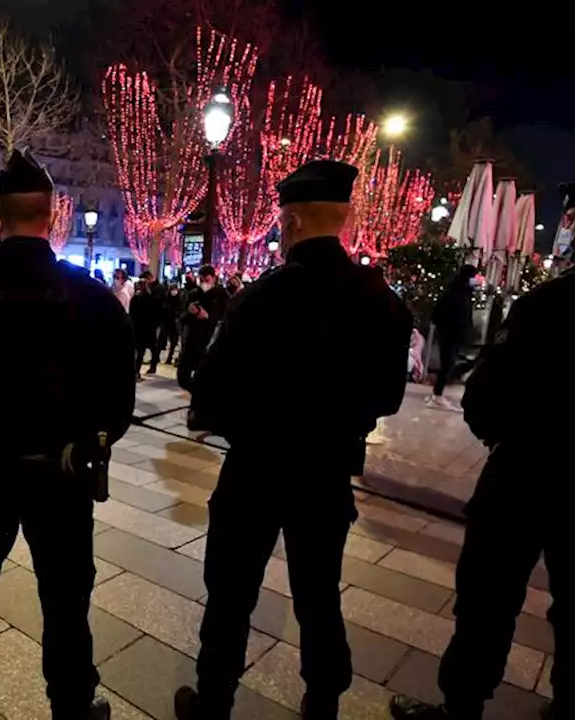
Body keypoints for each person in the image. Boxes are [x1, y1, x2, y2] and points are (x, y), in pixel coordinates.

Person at [390, 155, 575, 720]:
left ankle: (462, 704)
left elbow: (487, 397)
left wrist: (499, 428)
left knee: (489, 594)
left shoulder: (559, 301)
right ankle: (571, 709)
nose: (568, 232)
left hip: (528, 474)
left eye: (574, 220)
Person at [176, 160, 412, 720]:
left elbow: (208, 392)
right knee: (319, 595)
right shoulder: (379, 301)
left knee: (231, 594)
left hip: (257, 469)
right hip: (326, 472)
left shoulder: (264, 297)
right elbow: (387, 397)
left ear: (294, 222)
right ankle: (323, 702)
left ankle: (213, 702)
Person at [0, 149, 137, 720]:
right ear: (53, 216)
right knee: (65, 602)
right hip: (60, 475)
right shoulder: (93, 300)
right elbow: (119, 403)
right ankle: (70, 705)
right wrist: (85, 440)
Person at [427, 264, 480, 412]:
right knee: (448, 364)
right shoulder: (458, 292)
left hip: (451, 333)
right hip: (451, 333)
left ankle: (437, 394)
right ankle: (437, 395)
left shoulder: (461, 290)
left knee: (449, 364)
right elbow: (450, 313)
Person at [175, 265, 228, 391]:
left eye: (207, 280)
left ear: (214, 279)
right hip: (191, 341)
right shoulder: (194, 294)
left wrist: (208, 317)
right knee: (183, 377)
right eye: (201, 280)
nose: (204, 283)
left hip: (210, 343)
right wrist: (189, 312)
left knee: (205, 379)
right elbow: (182, 317)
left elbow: (224, 318)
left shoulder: (221, 295)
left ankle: (198, 404)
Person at [130, 274, 162, 379]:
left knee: (140, 350)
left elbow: (132, 313)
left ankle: (137, 371)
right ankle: (152, 366)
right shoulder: (152, 298)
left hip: (140, 327)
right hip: (148, 327)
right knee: (151, 348)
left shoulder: (136, 298)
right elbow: (156, 313)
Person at [159, 283, 183, 364]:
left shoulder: (179, 299)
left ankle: (169, 358)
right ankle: (157, 358)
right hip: (167, 322)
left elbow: (180, 309)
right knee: (161, 340)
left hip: (174, 324)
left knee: (173, 342)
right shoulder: (167, 298)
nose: (174, 291)